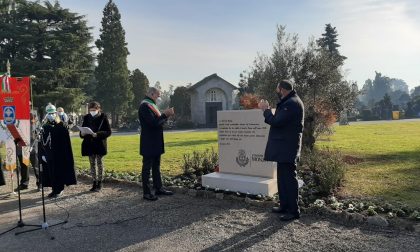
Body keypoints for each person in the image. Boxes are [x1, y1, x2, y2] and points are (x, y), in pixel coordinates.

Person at [259, 80, 304, 221]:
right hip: (284, 147)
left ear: (282, 90)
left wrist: (265, 110)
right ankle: (284, 206)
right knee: (283, 178)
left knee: (289, 179)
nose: (276, 91)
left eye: (277, 89)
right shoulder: (289, 101)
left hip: (287, 147)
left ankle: (293, 211)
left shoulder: (291, 103)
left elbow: (277, 122)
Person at [138, 87, 175, 201]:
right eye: (158, 95)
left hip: (155, 141)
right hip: (149, 141)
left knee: (156, 166)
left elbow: (159, 123)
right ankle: (147, 193)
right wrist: (165, 114)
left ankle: (158, 188)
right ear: (152, 94)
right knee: (147, 167)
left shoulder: (152, 105)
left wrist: (166, 116)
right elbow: (153, 123)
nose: (159, 98)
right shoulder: (145, 106)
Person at [39, 103, 77, 198]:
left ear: (56, 113)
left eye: (53, 113)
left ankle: (59, 189)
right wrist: (43, 153)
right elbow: (42, 141)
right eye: (49, 113)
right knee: (51, 171)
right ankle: (54, 189)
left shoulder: (61, 125)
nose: (51, 115)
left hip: (59, 153)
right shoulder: (44, 126)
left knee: (58, 171)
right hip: (49, 153)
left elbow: (65, 140)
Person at [80, 101, 111, 192]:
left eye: (94, 110)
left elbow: (108, 132)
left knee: (99, 163)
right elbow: (83, 131)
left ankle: (100, 182)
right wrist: (82, 133)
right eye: (91, 110)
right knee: (92, 164)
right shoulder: (86, 117)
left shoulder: (103, 117)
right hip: (89, 144)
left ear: (98, 109)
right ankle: (94, 182)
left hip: (99, 144)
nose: (92, 111)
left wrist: (97, 134)